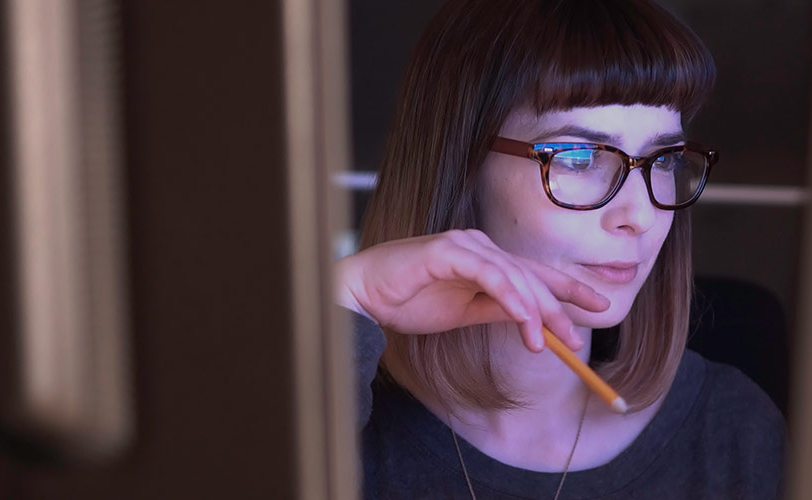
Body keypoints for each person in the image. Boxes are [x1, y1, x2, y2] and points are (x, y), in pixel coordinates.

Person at [336, 0, 785, 498]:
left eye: (664, 160)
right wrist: (343, 299)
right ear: (460, 167)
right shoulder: (342, 428)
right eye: (579, 156)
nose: (640, 215)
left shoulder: (734, 436)